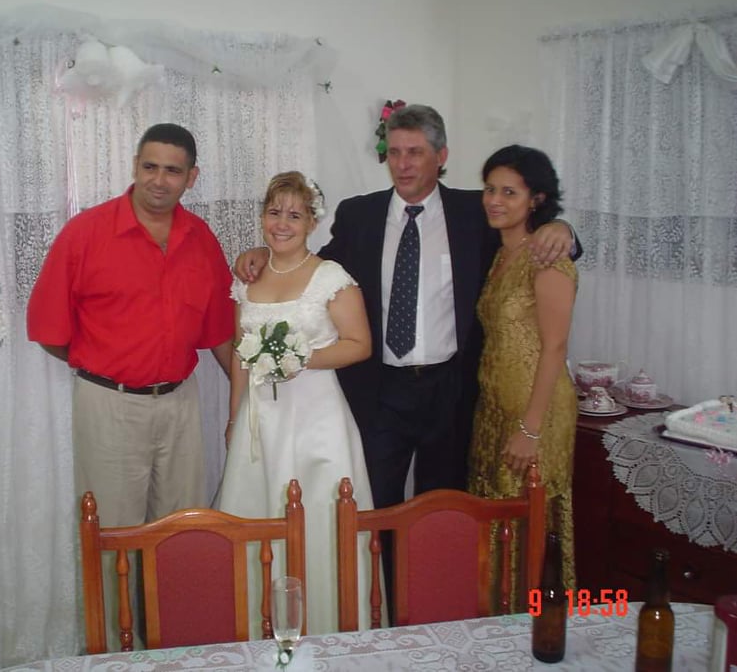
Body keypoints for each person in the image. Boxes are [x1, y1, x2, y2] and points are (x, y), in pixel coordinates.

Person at [236, 105, 578, 509]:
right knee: (375, 504)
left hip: (450, 390)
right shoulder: (359, 214)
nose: (402, 164)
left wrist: (563, 229)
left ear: (441, 156)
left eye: (415, 152)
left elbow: (526, 236)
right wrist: (266, 252)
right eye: (395, 152)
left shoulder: (475, 212)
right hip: (380, 389)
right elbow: (315, 266)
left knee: (442, 506)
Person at [27, 122, 234, 529]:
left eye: (172, 171)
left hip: (180, 405)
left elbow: (220, 332)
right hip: (109, 406)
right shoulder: (85, 233)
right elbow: (48, 328)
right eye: (150, 167)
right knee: (112, 532)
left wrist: (247, 402)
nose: (158, 180)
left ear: (191, 177)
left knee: (181, 530)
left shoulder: (201, 239)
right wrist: (106, 362)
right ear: (135, 165)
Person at [215, 171, 379, 634]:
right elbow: (240, 355)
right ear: (262, 217)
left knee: (320, 519)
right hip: (260, 422)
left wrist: (302, 359)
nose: (282, 223)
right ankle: (259, 630)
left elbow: (360, 344)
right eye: (274, 212)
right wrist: (234, 417)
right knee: (258, 514)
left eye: (294, 214)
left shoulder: (331, 277)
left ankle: (330, 627)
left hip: (316, 421)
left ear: (312, 222)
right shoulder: (248, 278)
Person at [468, 145, 578, 608]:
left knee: (531, 526)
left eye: (509, 192)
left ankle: (536, 628)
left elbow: (555, 347)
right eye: (490, 189)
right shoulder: (501, 254)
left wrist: (530, 429)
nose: (495, 200)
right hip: (495, 408)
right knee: (496, 521)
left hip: (536, 413)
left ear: (536, 199)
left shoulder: (547, 258)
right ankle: (495, 625)